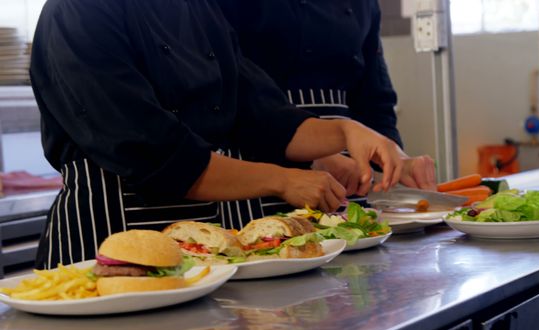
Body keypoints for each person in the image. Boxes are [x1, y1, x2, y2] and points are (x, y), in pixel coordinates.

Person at [30, 0, 403, 269]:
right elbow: (155, 154)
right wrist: (282, 180)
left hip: (193, 243)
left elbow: (266, 117)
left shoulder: (199, 11)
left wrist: (346, 131)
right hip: (106, 234)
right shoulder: (78, 12)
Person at [217, 0, 437, 210]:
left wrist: (395, 160)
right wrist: (313, 156)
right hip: (263, 157)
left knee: (351, 237)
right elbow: (234, 93)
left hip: (349, 171)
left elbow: (376, 100)